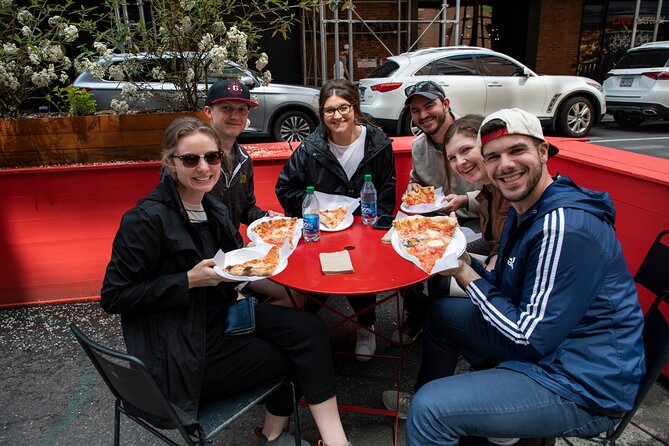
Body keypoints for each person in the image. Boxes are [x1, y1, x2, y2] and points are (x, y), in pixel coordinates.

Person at [100, 117, 352, 446]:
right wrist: (187, 280)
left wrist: (268, 256)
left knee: (309, 329)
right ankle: (282, 437)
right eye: (191, 159)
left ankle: (300, 438)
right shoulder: (145, 221)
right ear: (170, 162)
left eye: (212, 157)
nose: (204, 167)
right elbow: (114, 296)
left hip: (219, 318)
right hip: (181, 352)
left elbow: (233, 262)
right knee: (296, 356)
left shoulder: (211, 206)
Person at [406, 108, 645, 445]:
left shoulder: (562, 225)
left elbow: (529, 336)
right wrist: (462, 260)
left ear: (543, 151)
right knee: (441, 313)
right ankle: (455, 402)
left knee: (429, 410)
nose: (504, 164)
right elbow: (509, 289)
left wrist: (462, 271)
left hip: (583, 381)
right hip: (555, 348)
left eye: (516, 150)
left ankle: (446, 411)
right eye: (493, 156)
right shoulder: (527, 209)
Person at [275, 79, 396, 362]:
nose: (337, 116)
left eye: (343, 108)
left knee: (362, 273)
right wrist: (316, 204)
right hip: (322, 229)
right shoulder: (310, 148)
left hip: (363, 227)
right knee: (318, 283)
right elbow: (285, 189)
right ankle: (305, 331)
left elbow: (387, 193)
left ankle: (366, 326)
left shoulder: (378, 144)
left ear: (355, 107)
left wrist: (378, 231)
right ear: (321, 113)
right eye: (329, 110)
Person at [390, 80, 480, 346]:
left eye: (429, 105)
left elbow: (498, 193)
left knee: (441, 260)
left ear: (446, 104)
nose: (423, 115)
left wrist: (465, 200)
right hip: (436, 218)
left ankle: (447, 327)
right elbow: (416, 181)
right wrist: (414, 190)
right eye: (416, 110)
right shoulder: (419, 146)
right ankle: (417, 313)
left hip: (477, 220)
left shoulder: (472, 135)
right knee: (398, 250)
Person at [203, 79, 304, 308]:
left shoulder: (243, 159)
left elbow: (246, 207)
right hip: (209, 261)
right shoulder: (195, 161)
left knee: (297, 283)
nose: (235, 116)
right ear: (209, 111)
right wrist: (236, 250)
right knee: (294, 297)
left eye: (241, 109)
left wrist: (267, 218)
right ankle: (238, 321)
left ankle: (247, 316)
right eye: (226, 108)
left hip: (235, 251)